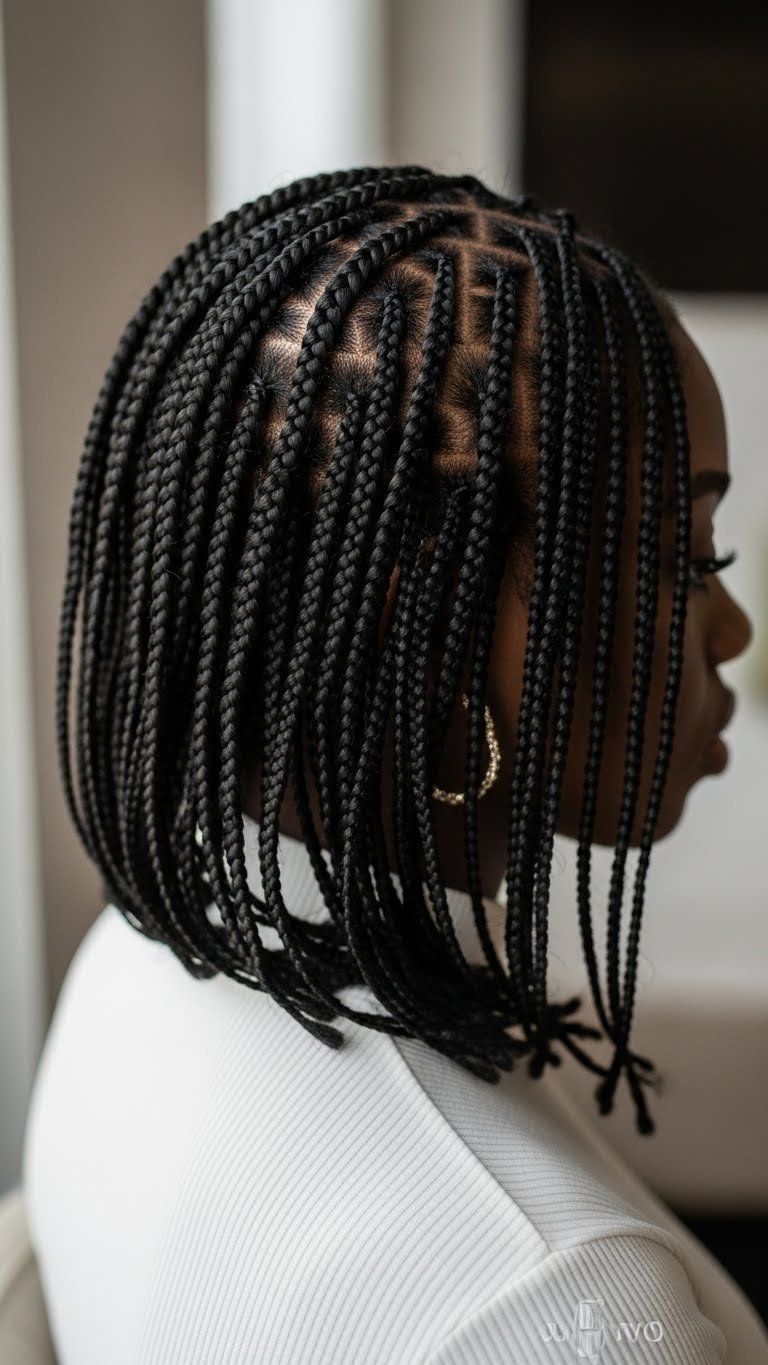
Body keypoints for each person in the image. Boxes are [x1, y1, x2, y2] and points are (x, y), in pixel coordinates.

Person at [22, 166, 766, 1363]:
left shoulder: (160, 947)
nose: (730, 629)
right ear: (435, 622)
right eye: (688, 554)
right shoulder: (553, 1310)